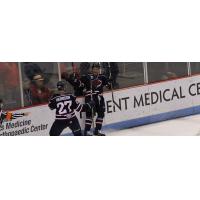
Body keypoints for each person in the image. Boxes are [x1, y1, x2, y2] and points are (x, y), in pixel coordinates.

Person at [64, 63, 112, 136]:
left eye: (98, 68)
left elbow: (109, 87)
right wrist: (71, 79)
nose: (96, 70)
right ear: (92, 69)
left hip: (99, 97)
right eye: (95, 68)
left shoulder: (103, 77)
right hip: (90, 97)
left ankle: (97, 130)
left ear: (99, 69)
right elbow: (78, 84)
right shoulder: (87, 77)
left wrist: (110, 82)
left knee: (101, 114)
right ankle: (87, 131)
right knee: (89, 115)